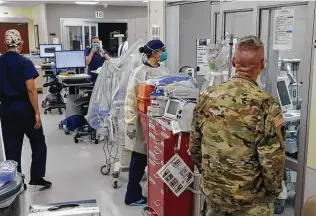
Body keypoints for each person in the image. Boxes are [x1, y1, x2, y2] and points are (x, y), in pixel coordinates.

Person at [189, 35, 285, 216]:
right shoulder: (266, 104)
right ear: (262, 64)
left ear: (234, 61)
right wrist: (273, 193)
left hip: (215, 195)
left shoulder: (208, 95)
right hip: (249, 202)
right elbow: (272, 160)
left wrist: (212, 178)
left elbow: (194, 145)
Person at [0, 29, 51, 187]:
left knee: (12, 148)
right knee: (38, 142)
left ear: (6, 43)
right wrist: (36, 112)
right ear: (20, 44)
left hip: (6, 109)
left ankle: (16, 183)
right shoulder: (24, 62)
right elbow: (31, 89)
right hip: (24, 108)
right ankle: (36, 176)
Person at [124, 40, 169, 206]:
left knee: (157, 157)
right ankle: (132, 195)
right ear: (156, 53)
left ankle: (157, 192)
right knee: (139, 156)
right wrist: (130, 123)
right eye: (162, 50)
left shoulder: (164, 70)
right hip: (141, 120)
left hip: (159, 120)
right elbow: (130, 99)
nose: (164, 53)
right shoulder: (140, 73)